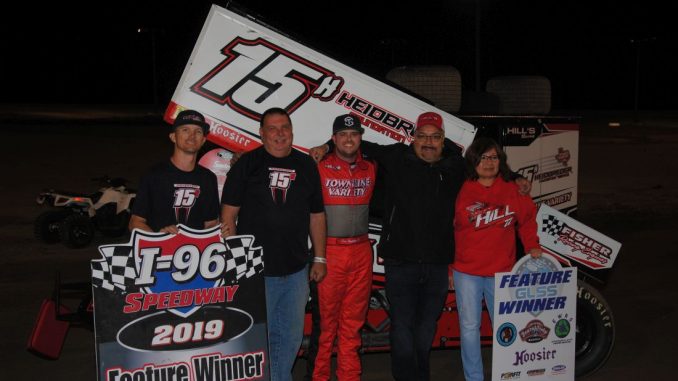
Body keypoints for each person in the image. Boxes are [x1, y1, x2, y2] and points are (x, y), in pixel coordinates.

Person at [310, 112, 531, 381]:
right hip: (400, 263)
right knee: (402, 328)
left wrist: (517, 177)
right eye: (423, 136)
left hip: (437, 265)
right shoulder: (396, 157)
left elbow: (486, 166)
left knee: (426, 329)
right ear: (413, 138)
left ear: (443, 140)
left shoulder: (455, 166)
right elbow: (352, 142)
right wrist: (324, 145)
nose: (428, 142)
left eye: (435, 137)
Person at [220, 107, 327, 381]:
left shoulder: (306, 166)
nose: (279, 134)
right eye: (272, 128)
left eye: (284, 128)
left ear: (291, 131)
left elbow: (317, 215)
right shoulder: (247, 164)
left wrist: (320, 258)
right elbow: (229, 215)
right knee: (254, 340)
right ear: (262, 133)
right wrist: (236, 262)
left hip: (295, 272)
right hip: (256, 274)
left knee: (288, 340)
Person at [452, 137, 541, 381]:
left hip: (501, 271)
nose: (488, 163)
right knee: (470, 329)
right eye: (483, 157)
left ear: (501, 161)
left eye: (493, 157)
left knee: (505, 326)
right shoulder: (463, 188)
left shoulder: (513, 188)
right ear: (473, 161)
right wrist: (450, 269)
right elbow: (450, 229)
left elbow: (526, 220)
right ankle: (474, 377)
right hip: (466, 271)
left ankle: (509, 373)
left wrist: (532, 245)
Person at [312, 114, 377, 381]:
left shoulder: (371, 166)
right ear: (334, 137)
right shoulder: (319, 165)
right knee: (327, 327)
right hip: (331, 252)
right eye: (342, 134)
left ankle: (350, 377)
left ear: (360, 137)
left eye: (354, 134)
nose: (349, 139)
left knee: (353, 326)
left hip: (362, 251)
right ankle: (319, 377)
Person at [129, 109, 219, 232]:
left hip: (195, 250)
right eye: (185, 130)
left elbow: (211, 223)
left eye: (198, 131)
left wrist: (219, 231)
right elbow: (135, 223)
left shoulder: (208, 178)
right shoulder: (153, 175)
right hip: (161, 250)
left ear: (203, 140)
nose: (192, 136)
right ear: (173, 137)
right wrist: (158, 238)